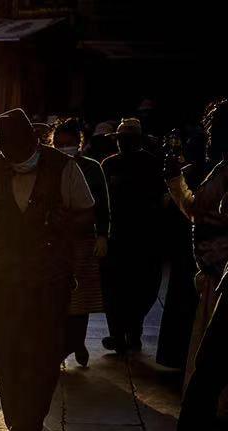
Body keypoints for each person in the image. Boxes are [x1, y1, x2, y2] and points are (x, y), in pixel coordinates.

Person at [0, 108, 95, 431]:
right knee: (6, 351)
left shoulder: (65, 168)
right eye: (9, 150)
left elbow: (87, 214)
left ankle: (29, 429)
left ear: (34, 141)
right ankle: (20, 423)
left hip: (49, 278)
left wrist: (65, 222)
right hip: (2, 277)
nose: (15, 156)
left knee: (45, 353)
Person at [149, 98, 228, 431]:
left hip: (223, 276)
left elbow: (200, 211)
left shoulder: (226, 172)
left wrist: (176, 182)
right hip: (218, 274)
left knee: (209, 367)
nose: (210, 138)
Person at [100, 117, 166, 353]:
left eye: (127, 140)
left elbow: (161, 201)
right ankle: (118, 334)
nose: (123, 144)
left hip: (142, 237)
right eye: (121, 140)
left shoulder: (153, 165)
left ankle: (132, 331)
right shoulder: (108, 165)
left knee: (140, 287)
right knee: (113, 288)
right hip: (115, 236)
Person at [53, 118, 110, 367]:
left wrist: (102, 235)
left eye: (69, 143)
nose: (64, 147)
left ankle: (78, 342)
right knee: (58, 297)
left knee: (81, 299)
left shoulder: (92, 168)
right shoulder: (49, 166)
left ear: (80, 143)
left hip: (84, 238)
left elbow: (102, 205)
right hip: (55, 240)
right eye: (59, 143)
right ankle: (65, 344)